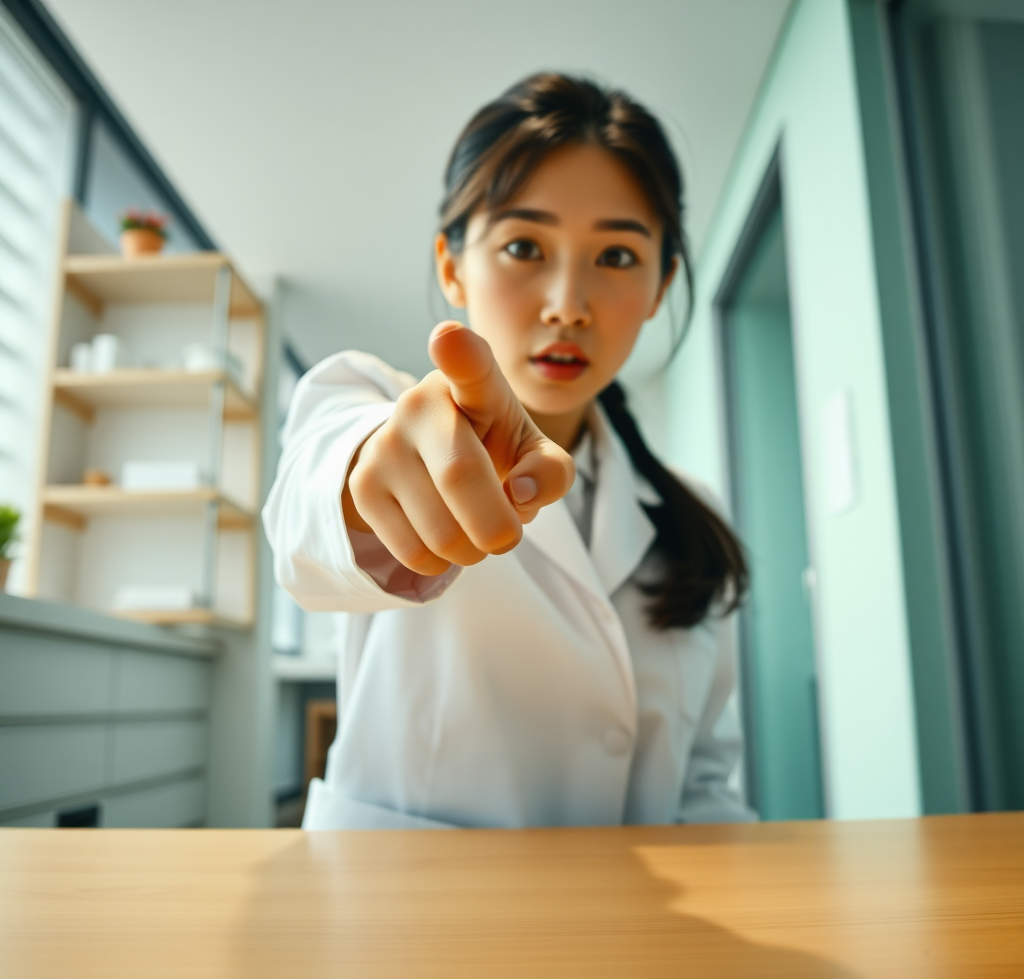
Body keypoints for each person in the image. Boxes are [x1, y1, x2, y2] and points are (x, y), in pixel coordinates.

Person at [263, 72, 754, 830]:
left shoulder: (695, 518)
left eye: (617, 256)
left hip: (642, 937)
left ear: (662, 285)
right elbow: (311, 514)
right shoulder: (371, 408)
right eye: (524, 245)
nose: (567, 303)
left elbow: (707, 783)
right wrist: (369, 477)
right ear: (452, 265)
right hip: (407, 927)